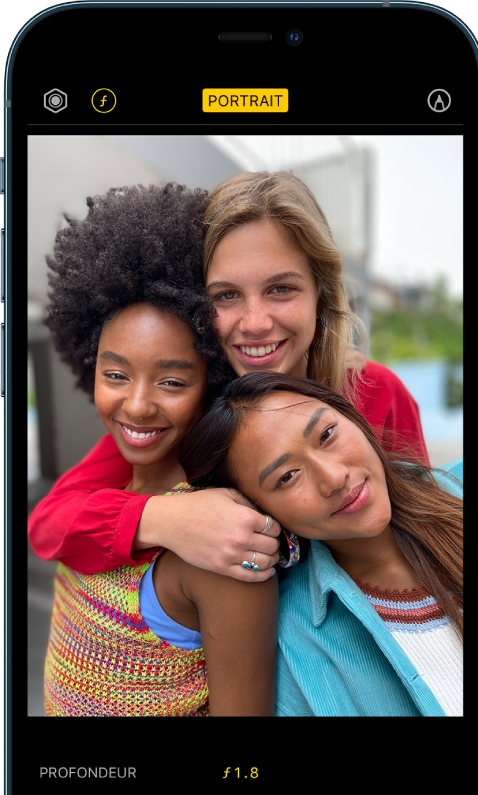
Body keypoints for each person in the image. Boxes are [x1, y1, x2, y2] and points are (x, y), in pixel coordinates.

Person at [29, 172, 428, 580]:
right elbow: (50, 523)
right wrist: (165, 517)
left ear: (320, 295)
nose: (255, 324)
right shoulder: (188, 413)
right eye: (227, 296)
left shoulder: (378, 393)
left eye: (281, 289)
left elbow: (424, 525)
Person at [41, 185, 277, 717]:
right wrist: (156, 516)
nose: (138, 405)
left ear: (213, 383)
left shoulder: (220, 542)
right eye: (116, 374)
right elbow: (46, 525)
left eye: (172, 382)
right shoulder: (110, 475)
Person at [180, 372, 463, 718]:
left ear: (350, 416)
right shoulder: (292, 645)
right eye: (287, 477)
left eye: (327, 434)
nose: (333, 478)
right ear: (257, 512)